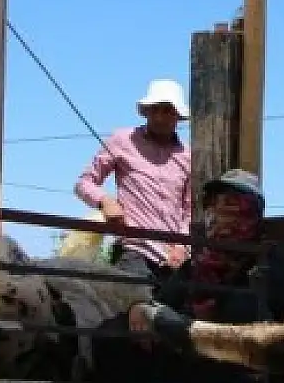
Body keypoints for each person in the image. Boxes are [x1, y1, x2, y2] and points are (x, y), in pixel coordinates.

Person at [93, 169, 284, 383]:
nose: (221, 220)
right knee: (112, 334)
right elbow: (161, 304)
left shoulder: (274, 262)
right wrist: (139, 307)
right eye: (215, 209)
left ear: (252, 215)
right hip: (192, 375)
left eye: (233, 210)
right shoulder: (198, 265)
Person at [73, 78, 195, 281]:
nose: (159, 117)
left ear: (177, 115)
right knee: (137, 305)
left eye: (167, 110)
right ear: (146, 112)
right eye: (154, 110)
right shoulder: (123, 140)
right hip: (133, 252)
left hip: (172, 259)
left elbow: (190, 209)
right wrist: (105, 201)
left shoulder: (188, 156)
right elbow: (84, 182)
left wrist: (182, 246)